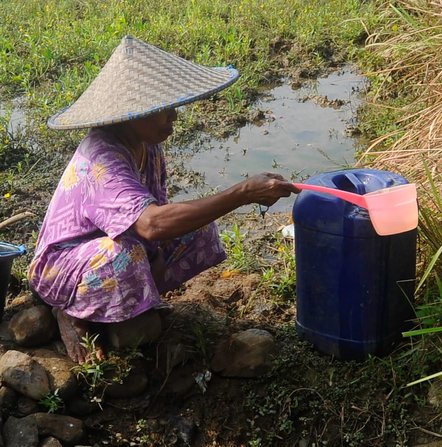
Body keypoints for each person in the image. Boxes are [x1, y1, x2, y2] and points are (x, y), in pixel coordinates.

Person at [28, 35, 299, 363]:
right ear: (132, 113)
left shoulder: (147, 147)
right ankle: (72, 313)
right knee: (125, 255)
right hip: (63, 267)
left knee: (199, 229)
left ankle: (133, 307)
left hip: (120, 244)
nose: (174, 117)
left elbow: (157, 210)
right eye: (165, 110)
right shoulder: (102, 158)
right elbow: (151, 224)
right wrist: (242, 193)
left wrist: (153, 253)